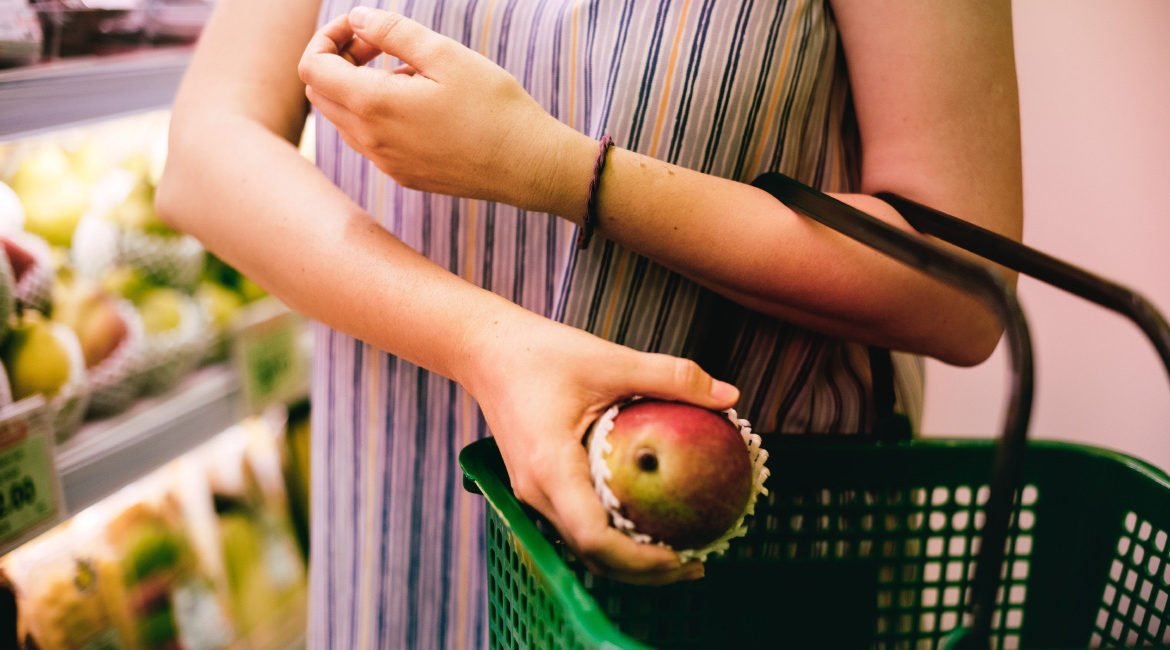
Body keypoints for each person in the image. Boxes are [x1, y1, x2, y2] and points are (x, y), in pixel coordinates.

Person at [155, 0, 1022, 647]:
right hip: (401, 513)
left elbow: (962, 289)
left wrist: (556, 169)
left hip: (737, 535)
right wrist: (485, 342)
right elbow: (206, 148)